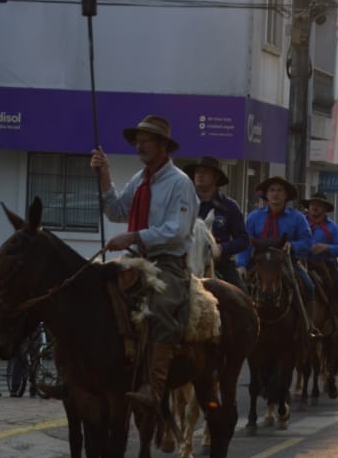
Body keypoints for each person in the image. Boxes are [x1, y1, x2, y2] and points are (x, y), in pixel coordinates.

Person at [91, 114, 197, 415]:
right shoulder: (140, 180)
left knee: (161, 308)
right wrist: (105, 175)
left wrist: (134, 235)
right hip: (135, 260)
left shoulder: (180, 183)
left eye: (145, 139)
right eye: (137, 140)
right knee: (94, 293)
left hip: (168, 263)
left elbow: (176, 230)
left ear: (163, 145)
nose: (139, 145)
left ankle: (154, 386)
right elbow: (115, 211)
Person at [238, 175, 315, 308]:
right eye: (272, 190)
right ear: (266, 195)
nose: (275, 194)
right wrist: (241, 264)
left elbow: (307, 241)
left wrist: (292, 246)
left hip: (287, 262)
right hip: (258, 261)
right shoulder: (254, 217)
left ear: (286, 195)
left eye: (279, 190)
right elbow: (245, 242)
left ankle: (307, 325)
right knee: (234, 288)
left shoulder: (297, 218)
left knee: (309, 287)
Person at [183, 155, 248, 290]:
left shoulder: (230, 206)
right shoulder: (184, 203)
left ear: (216, 178)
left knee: (242, 295)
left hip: (220, 264)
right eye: (197, 172)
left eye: (205, 172)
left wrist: (221, 248)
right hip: (185, 262)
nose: (199, 175)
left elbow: (243, 240)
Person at [302, 190, 338, 342]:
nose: (315, 207)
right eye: (312, 204)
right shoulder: (299, 223)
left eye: (318, 205)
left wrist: (326, 247)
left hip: (324, 265)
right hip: (300, 262)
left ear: (324, 209)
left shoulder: (332, 227)